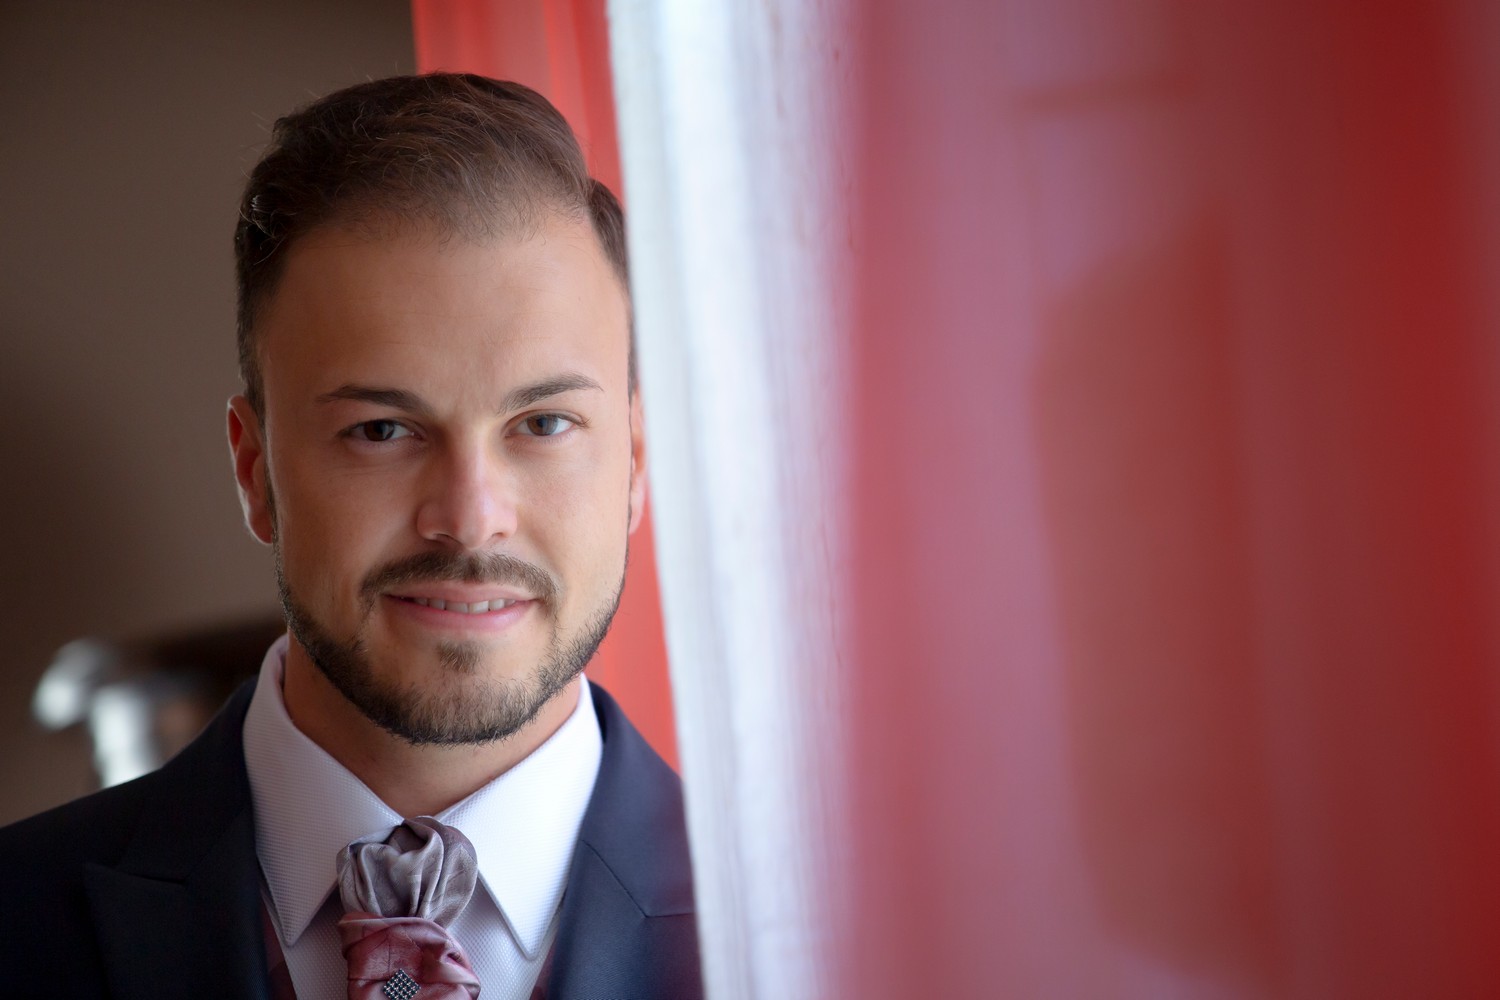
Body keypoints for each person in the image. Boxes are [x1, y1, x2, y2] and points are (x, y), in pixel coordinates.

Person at [0, 73, 702, 1000]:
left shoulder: (828, 935)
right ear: (255, 470)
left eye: (542, 424)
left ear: (636, 462)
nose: (470, 518)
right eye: (381, 430)